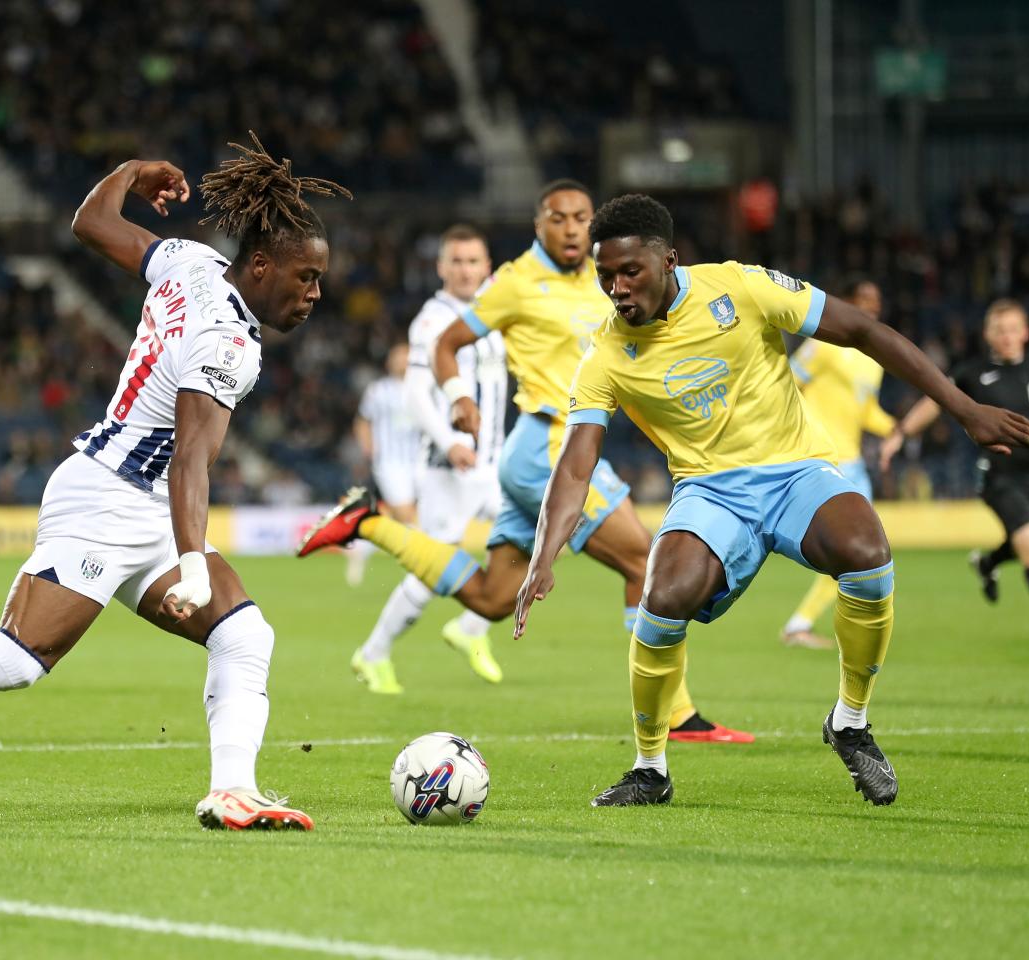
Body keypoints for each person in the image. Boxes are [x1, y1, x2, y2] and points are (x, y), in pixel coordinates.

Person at [0, 135, 352, 831]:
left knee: (245, 635)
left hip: (147, 507)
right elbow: (193, 458)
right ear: (260, 264)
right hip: (107, 498)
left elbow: (91, 224)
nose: (315, 293)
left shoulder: (191, 262)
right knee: (17, 659)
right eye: (305, 277)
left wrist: (132, 172)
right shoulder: (227, 343)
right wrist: (194, 559)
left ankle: (231, 790)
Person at [514, 194, 1029, 807]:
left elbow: (862, 330)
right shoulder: (605, 353)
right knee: (662, 597)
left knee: (867, 554)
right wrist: (544, 554)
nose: (618, 289)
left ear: (668, 261)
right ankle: (649, 768)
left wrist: (965, 410)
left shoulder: (741, 288)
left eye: (631, 273)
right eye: (606, 277)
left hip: (794, 472)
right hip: (710, 491)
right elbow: (576, 463)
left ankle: (850, 722)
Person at [301, 181, 752, 743]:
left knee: (493, 597)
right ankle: (676, 716)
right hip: (549, 450)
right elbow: (445, 344)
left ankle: (368, 524)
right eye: (557, 218)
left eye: (581, 217)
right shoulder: (515, 282)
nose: (570, 228)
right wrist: (459, 397)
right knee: (646, 563)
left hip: (540, 453)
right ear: (538, 224)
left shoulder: (606, 275)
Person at [350, 225, 506, 693]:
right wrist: (449, 440)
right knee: (434, 572)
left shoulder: (494, 311)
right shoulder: (431, 320)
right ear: (441, 267)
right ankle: (373, 653)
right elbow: (416, 394)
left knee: (545, 535)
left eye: (473, 261)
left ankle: (472, 627)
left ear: (487, 268)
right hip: (448, 466)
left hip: (494, 463)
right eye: (456, 261)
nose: (464, 269)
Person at [880, 299, 1029, 602]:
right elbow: (935, 401)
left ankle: (988, 562)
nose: (1007, 336)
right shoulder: (973, 373)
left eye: (1013, 329)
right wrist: (902, 432)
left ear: (1025, 332)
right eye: (1000, 330)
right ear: (988, 335)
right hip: (1000, 476)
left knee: (1023, 538)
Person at [781, 278, 896, 649]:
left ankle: (801, 623)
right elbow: (787, 383)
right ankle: (803, 623)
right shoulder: (824, 346)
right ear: (845, 302)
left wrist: (898, 428)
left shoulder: (872, 362)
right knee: (855, 547)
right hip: (820, 456)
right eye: (862, 299)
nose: (870, 307)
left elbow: (865, 413)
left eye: (876, 300)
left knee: (858, 548)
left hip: (852, 461)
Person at [345, 342, 419, 588]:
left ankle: (362, 546)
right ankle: (419, 570)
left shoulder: (422, 388)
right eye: (398, 357)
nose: (403, 362)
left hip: (418, 462)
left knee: (403, 519)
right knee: (406, 514)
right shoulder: (378, 390)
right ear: (390, 362)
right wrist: (369, 448)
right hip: (390, 462)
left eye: (406, 357)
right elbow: (362, 421)